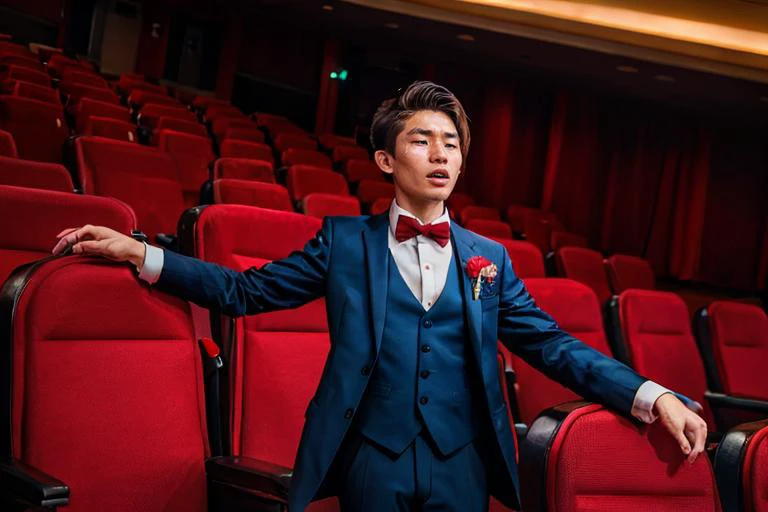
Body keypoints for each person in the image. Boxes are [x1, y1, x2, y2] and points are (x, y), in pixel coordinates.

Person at [52, 81, 707, 512]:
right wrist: (143, 252)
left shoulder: (492, 259)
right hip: (371, 457)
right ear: (388, 160)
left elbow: (554, 347)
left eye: (452, 143)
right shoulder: (343, 244)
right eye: (422, 139)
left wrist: (652, 395)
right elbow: (246, 291)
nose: (440, 153)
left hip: (463, 463)